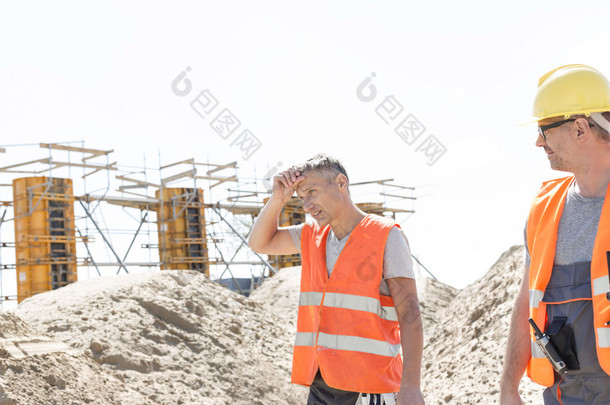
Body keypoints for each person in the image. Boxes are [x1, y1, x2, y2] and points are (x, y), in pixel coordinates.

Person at [248, 154, 425, 405]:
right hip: (321, 385)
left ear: (341, 183)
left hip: (370, 388)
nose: (307, 205)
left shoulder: (386, 236)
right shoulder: (311, 235)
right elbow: (259, 242)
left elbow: (410, 313)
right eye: (301, 198)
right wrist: (278, 198)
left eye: (312, 191)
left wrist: (411, 386)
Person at [500, 64, 610, 404]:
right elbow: (526, 303)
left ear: (580, 127)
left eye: (545, 129)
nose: (538, 142)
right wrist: (509, 387)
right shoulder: (544, 209)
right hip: (565, 395)